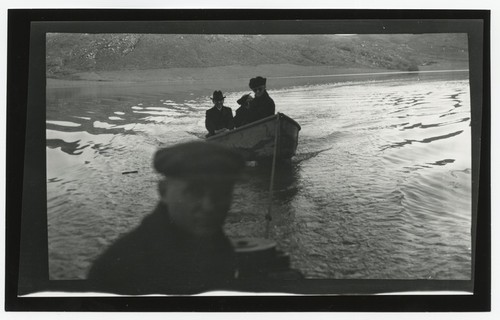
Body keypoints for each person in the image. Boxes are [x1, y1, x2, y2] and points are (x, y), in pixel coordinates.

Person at [87, 141, 245, 294]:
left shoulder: (217, 245)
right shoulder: (120, 267)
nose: (209, 206)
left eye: (222, 193)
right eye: (194, 192)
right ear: (163, 192)